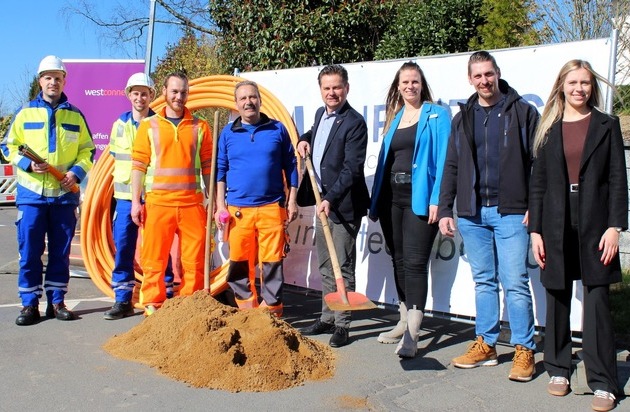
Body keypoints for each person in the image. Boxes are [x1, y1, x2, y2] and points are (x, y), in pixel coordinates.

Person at [528, 60, 627, 412]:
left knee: (597, 300)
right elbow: (537, 184)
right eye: (573, 82)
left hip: (596, 222)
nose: (579, 89)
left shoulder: (606, 124)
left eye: (585, 82)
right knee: (556, 294)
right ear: (561, 86)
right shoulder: (549, 127)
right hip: (555, 222)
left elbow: (618, 179)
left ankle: (603, 382)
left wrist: (615, 226)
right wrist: (535, 231)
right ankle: (558, 368)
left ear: (591, 87)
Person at [437, 51, 538, 381]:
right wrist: (446, 209)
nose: (484, 80)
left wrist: (534, 206)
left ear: (498, 73)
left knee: (515, 282)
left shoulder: (523, 112)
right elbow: (451, 165)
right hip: (472, 213)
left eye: (489, 74)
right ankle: (487, 345)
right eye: (478, 76)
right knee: (483, 282)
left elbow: (537, 165)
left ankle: (524, 349)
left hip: (511, 212)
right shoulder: (462, 117)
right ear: (470, 79)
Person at [1, 55, 95, 325]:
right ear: (40, 81)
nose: (53, 82)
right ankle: (29, 304)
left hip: (64, 197)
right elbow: (8, 146)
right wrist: (28, 165)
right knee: (30, 251)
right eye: (48, 77)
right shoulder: (25, 111)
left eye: (58, 77)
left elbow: (88, 150)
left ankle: (57, 302)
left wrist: (75, 173)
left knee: (60, 252)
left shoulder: (75, 115)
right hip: (32, 197)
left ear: (64, 80)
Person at [368, 61, 451, 357]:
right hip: (392, 198)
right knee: (399, 261)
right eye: (404, 82)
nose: (409, 86)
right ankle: (404, 321)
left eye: (414, 81)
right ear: (398, 86)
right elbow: (384, 162)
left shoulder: (438, 115)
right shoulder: (396, 118)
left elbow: (444, 160)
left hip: (420, 199)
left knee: (415, 264)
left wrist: (437, 200)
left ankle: (413, 334)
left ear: (421, 84)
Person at [296, 64, 371, 348]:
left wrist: (329, 199)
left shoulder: (354, 122)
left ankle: (343, 325)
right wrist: (304, 139)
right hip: (322, 202)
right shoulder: (321, 114)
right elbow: (316, 131)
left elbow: (352, 169)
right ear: (321, 90)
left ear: (346, 88)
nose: (332, 93)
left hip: (343, 205)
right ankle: (328, 316)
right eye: (326, 88)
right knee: (326, 266)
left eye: (337, 87)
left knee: (343, 267)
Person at [131, 72, 212, 316]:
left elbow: (208, 166)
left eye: (183, 92)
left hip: (192, 205)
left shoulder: (200, 127)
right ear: (164, 92)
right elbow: (138, 166)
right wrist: (136, 202)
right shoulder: (149, 126)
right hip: (158, 204)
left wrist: (213, 199)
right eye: (174, 91)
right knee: (154, 259)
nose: (179, 96)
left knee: (194, 261)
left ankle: (189, 304)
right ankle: (153, 305)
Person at [214, 80, 298, 317]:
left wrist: (291, 200)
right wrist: (220, 205)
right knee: (239, 263)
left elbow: (291, 166)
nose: (248, 102)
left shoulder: (277, 129)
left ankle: (272, 310)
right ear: (236, 104)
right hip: (238, 210)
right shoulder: (228, 133)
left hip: (272, 207)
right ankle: (248, 311)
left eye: (252, 97)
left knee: (272, 263)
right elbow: (220, 171)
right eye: (243, 98)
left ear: (259, 100)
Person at [104, 72, 177, 319]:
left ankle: (165, 296)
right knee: (124, 246)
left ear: (152, 96)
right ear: (128, 95)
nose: (139, 97)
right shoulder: (119, 125)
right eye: (135, 93)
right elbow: (116, 159)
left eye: (144, 93)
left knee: (158, 247)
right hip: (125, 198)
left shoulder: (160, 124)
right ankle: (123, 299)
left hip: (155, 197)